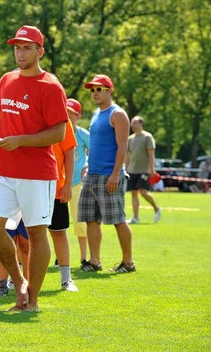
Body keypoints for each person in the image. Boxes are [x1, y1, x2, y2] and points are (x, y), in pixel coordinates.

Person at [0, 25, 68, 311]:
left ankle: (32, 300)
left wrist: (21, 140)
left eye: (26, 47)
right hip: (4, 170)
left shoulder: (51, 86)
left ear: (39, 51)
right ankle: (18, 281)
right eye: (17, 47)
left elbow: (58, 133)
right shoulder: (7, 79)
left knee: (35, 234)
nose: (20, 52)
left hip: (37, 173)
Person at [78, 74, 135, 273]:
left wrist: (115, 174)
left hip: (110, 175)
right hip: (92, 175)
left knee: (118, 219)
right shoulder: (95, 113)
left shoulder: (117, 114)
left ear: (109, 90)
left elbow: (122, 146)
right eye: (92, 90)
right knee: (91, 219)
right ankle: (94, 262)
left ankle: (128, 262)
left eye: (98, 89)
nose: (94, 93)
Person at [48, 120, 79, 291]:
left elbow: (69, 152)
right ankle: (19, 279)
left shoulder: (62, 120)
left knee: (59, 233)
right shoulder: (28, 112)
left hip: (55, 188)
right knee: (25, 237)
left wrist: (67, 184)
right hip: (30, 186)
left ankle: (66, 279)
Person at [66, 98, 90, 266]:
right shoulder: (57, 132)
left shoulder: (82, 134)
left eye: (71, 114)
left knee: (80, 222)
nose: (67, 117)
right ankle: (60, 257)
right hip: (59, 183)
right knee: (56, 223)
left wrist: (88, 163)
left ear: (78, 116)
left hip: (77, 184)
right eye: (64, 113)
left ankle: (83, 258)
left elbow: (96, 151)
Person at [125, 116, 161, 223]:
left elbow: (151, 154)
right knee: (134, 193)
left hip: (144, 170)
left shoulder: (147, 137)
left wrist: (152, 169)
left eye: (135, 123)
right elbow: (128, 155)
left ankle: (156, 208)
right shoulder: (130, 139)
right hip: (132, 170)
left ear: (141, 124)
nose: (133, 125)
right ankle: (135, 218)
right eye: (132, 123)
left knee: (143, 192)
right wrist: (126, 168)